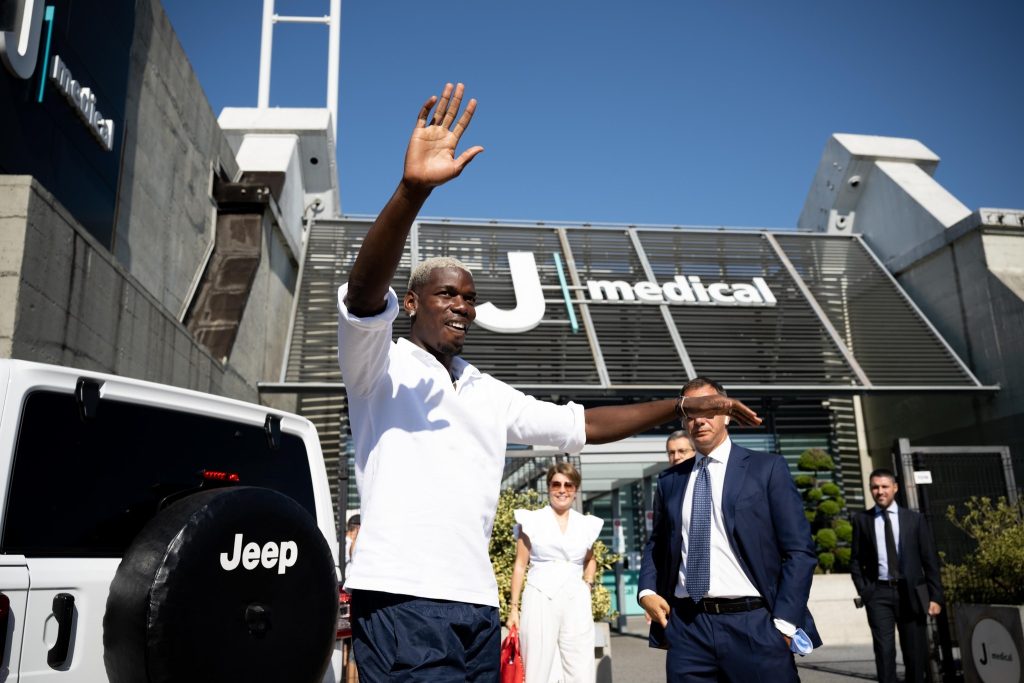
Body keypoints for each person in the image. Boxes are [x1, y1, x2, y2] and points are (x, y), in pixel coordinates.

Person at [336, 82, 763, 680]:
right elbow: (362, 295)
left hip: (475, 605)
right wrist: (412, 191)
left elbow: (582, 425)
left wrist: (683, 406)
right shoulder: (378, 367)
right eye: (447, 294)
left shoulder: (485, 390)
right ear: (410, 303)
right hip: (400, 598)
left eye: (470, 298)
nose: (463, 306)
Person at [639, 376, 821, 681]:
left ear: (727, 414)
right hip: (688, 630)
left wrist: (784, 625)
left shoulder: (766, 468)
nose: (699, 420)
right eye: (690, 413)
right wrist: (646, 591)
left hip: (754, 626)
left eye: (708, 410)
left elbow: (799, 551)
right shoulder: (670, 480)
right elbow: (656, 544)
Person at [506, 463, 603, 683]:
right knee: (538, 664)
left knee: (580, 664)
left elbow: (590, 559)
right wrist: (513, 609)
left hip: (576, 598)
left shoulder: (585, 524)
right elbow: (520, 564)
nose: (562, 490)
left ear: (575, 489)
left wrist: (587, 584)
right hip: (540, 595)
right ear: (548, 487)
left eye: (568, 485)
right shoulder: (531, 520)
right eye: (556, 484)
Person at [850, 469, 943, 683]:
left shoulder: (914, 519)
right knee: (884, 652)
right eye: (875, 487)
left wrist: (936, 596)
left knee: (915, 653)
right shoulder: (862, 520)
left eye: (884, 486)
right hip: (878, 594)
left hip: (910, 593)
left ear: (895, 488)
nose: (880, 491)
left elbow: (929, 560)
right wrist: (865, 590)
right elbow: (855, 561)